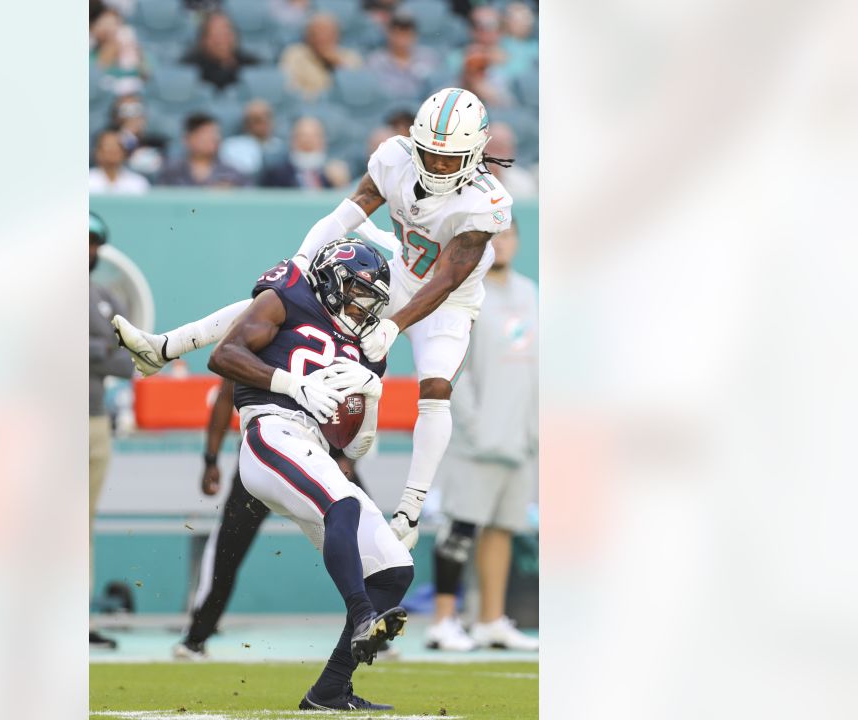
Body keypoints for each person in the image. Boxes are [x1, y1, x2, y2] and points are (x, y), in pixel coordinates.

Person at [113, 87, 517, 554]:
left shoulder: (487, 203)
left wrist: (394, 325)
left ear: (475, 154)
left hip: (447, 301)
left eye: (450, 160)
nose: (438, 166)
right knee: (283, 299)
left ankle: (409, 509)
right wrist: (302, 263)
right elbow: (344, 214)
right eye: (430, 154)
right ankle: (163, 347)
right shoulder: (395, 158)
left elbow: (447, 279)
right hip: (401, 272)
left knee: (436, 391)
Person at [206, 238, 411, 710]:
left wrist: (372, 401)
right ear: (335, 282)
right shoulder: (288, 297)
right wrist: (290, 382)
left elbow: (351, 445)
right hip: (270, 432)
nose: (364, 308)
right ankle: (362, 614)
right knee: (343, 504)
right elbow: (223, 355)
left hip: (314, 448)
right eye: (359, 293)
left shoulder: (365, 348)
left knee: (395, 568)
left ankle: (330, 689)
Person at [175, 378, 378, 660]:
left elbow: (359, 401)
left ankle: (375, 630)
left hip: (321, 452)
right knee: (228, 546)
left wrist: (347, 460)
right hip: (266, 448)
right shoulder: (256, 340)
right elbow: (226, 394)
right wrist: (211, 458)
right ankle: (197, 636)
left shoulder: (333, 338)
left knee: (367, 539)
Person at [424, 222, 539, 652]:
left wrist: (533, 428)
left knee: (502, 529)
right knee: (460, 526)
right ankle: (442, 621)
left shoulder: (530, 292)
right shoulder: (464, 292)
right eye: (497, 235)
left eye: (511, 234)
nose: (504, 241)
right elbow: (455, 368)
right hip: (477, 441)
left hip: (521, 440)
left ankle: (491, 620)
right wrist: (475, 426)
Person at [89, 213, 136, 648]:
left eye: (91, 242)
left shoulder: (104, 296)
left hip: (94, 420)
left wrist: (95, 351)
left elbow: (128, 358)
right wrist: (99, 349)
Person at [279, 13, 363, 101]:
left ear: (337, 35)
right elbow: (289, 89)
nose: (321, 37)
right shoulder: (294, 54)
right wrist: (319, 99)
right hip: (307, 106)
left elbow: (357, 91)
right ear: (307, 36)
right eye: (316, 32)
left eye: (327, 32)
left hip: (342, 107)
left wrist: (338, 65)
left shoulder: (351, 57)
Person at [365, 11, 442, 103]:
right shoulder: (375, 61)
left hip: (422, 107)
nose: (402, 38)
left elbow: (437, 89)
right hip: (386, 110)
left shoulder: (429, 58)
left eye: (407, 32)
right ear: (388, 33)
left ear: (415, 34)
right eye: (397, 32)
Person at [157, 113, 249, 188]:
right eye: (206, 134)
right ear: (188, 138)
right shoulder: (171, 172)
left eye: (216, 133)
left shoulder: (232, 174)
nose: (214, 138)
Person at [259, 116, 349, 190]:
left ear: (324, 140)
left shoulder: (334, 172)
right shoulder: (277, 174)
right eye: (302, 135)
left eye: (314, 136)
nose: (307, 141)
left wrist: (341, 185)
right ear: (292, 139)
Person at [180, 12, 259, 92]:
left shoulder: (250, 64)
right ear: (204, 40)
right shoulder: (189, 67)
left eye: (226, 33)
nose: (222, 40)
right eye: (216, 35)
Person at [220, 100, 285, 179]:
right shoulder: (232, 146)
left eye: (268, 117)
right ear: (247, 123)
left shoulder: (282, 147)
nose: (264, 122)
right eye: (257, 120)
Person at [89, 129, 151, 195]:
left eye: (117, 146)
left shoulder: (138, 183)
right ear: (98, 152)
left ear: (124, 152)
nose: (113, 150)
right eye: (108, 146)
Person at [485, 122, 536, 199]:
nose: (495, 154)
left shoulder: (523, 180)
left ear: (512, 150)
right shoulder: (469, 179)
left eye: (500, 148)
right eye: (491, 147)